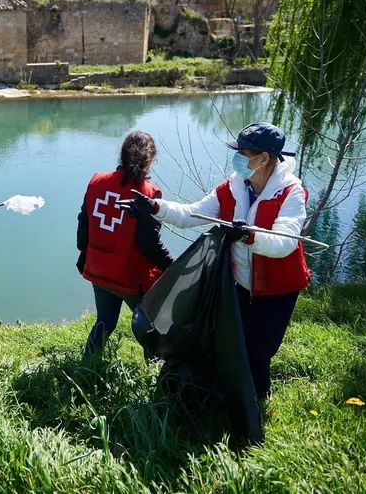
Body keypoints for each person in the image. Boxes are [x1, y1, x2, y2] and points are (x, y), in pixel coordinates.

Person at [119, 123, 311, 398]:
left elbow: (285, 243)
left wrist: (248, 236)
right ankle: (232, 398)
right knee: (235, 342)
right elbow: (193, 214)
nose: (238, 158)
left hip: (280, 288)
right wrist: (155, 208)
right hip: (242, 284)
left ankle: (255, 409)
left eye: (243, 152)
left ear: (263, 158)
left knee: (258, 349)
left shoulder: (290, 193)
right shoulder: (231, 187)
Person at [77, 131, 174, 359]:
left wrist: (83, 254)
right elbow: (149, 244)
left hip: (99, 269)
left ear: (121, 154)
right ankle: (154, 377)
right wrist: (173, 267)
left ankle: (87, 368)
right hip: (131, 278)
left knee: (104, 322)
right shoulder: (148, 194)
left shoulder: (96, 182)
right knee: (149, 328)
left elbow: (84, 223)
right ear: (150, 160)